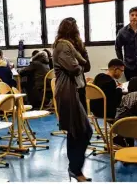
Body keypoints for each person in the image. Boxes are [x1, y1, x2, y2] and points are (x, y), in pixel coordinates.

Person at [52, 17, 92, 182]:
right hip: (69, 93)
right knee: (83, 131)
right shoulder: (62, 46)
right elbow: (75, 69)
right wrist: (80, 60)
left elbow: (86, 66)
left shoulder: (73, 47)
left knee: (76, 131)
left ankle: (74, 169)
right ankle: (75, 168)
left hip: (78, 91)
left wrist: (82, 50)